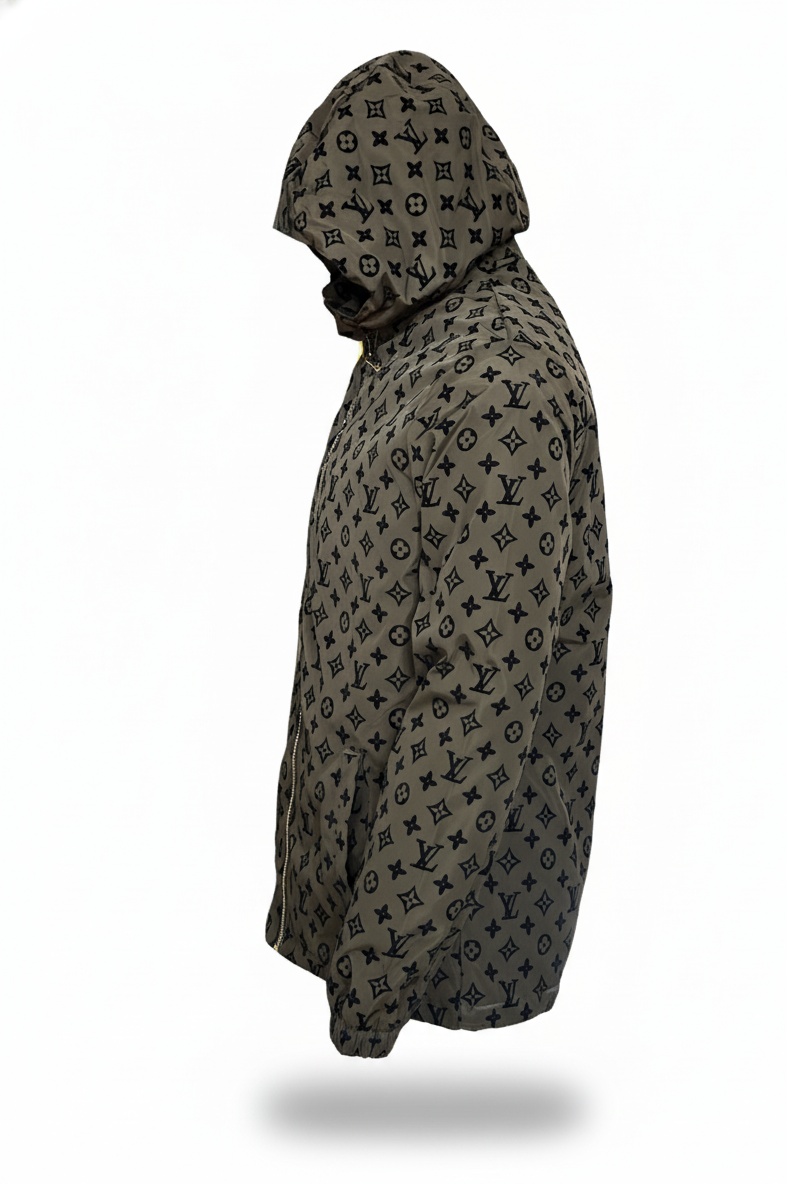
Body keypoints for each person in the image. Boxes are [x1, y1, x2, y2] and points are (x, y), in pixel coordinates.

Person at [265, 48, 613, 1058]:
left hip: (449, 970)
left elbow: (477, 702)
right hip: (369, 907)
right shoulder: (421, 335)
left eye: (345, 241)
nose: (333, 277)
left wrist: (370, 985)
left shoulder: (501, 382)